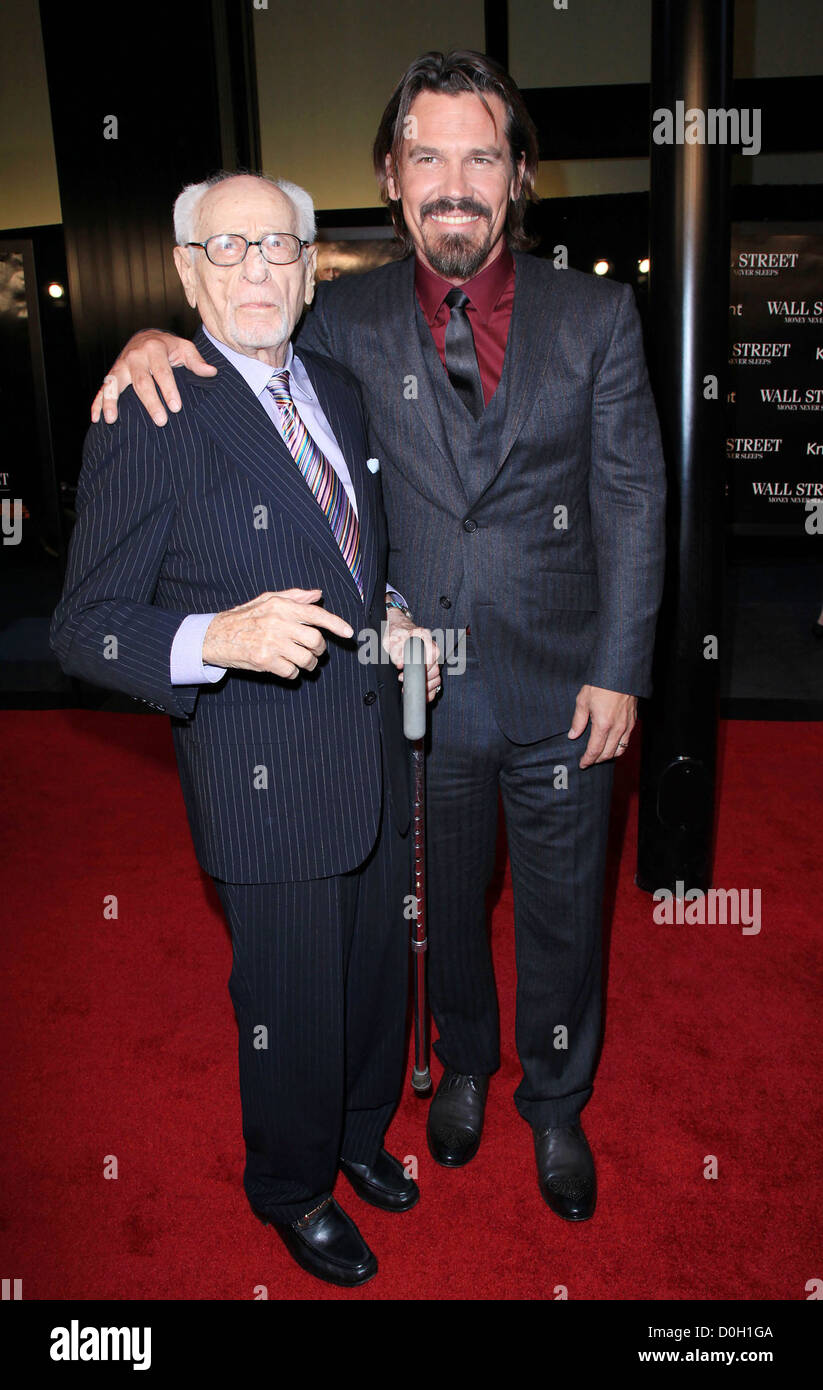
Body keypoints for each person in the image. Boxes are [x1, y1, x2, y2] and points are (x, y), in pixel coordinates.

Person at [91, 50, 667, 1223]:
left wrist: (621, 670)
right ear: (391, 180)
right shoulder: (338, 314)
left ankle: (554, 1102)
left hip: (566, 688)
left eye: (480, 155)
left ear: (517, 179)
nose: (453, 180)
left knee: (566, 910)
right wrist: (147, 340)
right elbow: (241, 359)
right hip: (415, 693)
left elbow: (633, 498)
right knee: (439, 905)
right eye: (427, 156)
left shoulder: (598, 315)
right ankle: (460, 1065)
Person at [52, 171, 440, 1288]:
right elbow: (83, 628)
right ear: (186, 272)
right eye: (226, 250)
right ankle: (291, 1185)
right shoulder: (151, 409)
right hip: (261, 772)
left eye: (278, 246)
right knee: (290, 1000)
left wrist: (398, 614)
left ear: (312, 266)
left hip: (367, 743)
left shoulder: (339, 386)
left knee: (374, 977)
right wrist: (212, 637)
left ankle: (362, 1136)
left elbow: (363, 559)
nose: (257, 268)